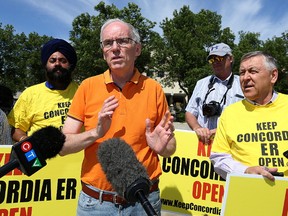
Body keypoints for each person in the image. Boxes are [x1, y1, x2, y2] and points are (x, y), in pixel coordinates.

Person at [59, 18, 176, 215]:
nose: (115, 48)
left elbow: (170, 147)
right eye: (108, 43)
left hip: (145, 200)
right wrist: (96, 133)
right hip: (96, 203)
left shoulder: (154, 89)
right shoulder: (87, 87)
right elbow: (62, 146)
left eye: (122, 41)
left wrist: (162, 148)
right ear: (103, 51)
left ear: (137, 49)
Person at [210, 51, 287, 182]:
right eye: (242, 72)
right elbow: (219, 158)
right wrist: (245, 171)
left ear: (273, 76)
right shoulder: (230, 113)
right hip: (245, 194)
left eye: (253, 71)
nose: (245, 78)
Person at [8, 38, 78, 142]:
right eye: (52, 60)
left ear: (70, 65)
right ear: (45, 64)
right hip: (41, 157)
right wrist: (29, 143)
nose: (57, 64)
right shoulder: (30, 94)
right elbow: (16, 129)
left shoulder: (83, 91)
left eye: (63, 61)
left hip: (80, 157)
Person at [185, 42, 243, 144]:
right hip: (205, 145)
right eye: (212, 59)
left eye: (219, 58)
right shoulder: (201, 83)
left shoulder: (243, 83)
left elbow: (251, 116)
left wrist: (220, 132)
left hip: (233, 144)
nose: (215, 62)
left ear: (230, 58)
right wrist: (197, 128)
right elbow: (190, 112)